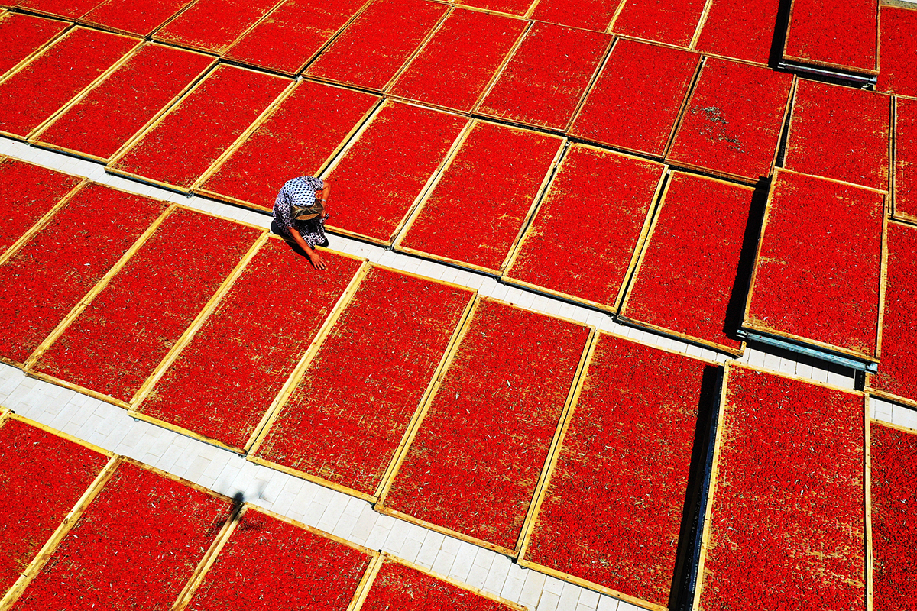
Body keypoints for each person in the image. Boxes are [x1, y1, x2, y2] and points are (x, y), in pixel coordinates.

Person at [273, 175, 332, 270]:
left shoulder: (307, 182)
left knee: (321, 217)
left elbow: (327, 185)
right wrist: (311, 254)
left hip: (302, 205)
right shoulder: (285, 208)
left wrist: (323, 204)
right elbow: (295, 234)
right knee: (305, 240)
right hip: (288, 216)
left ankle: (315, 232)